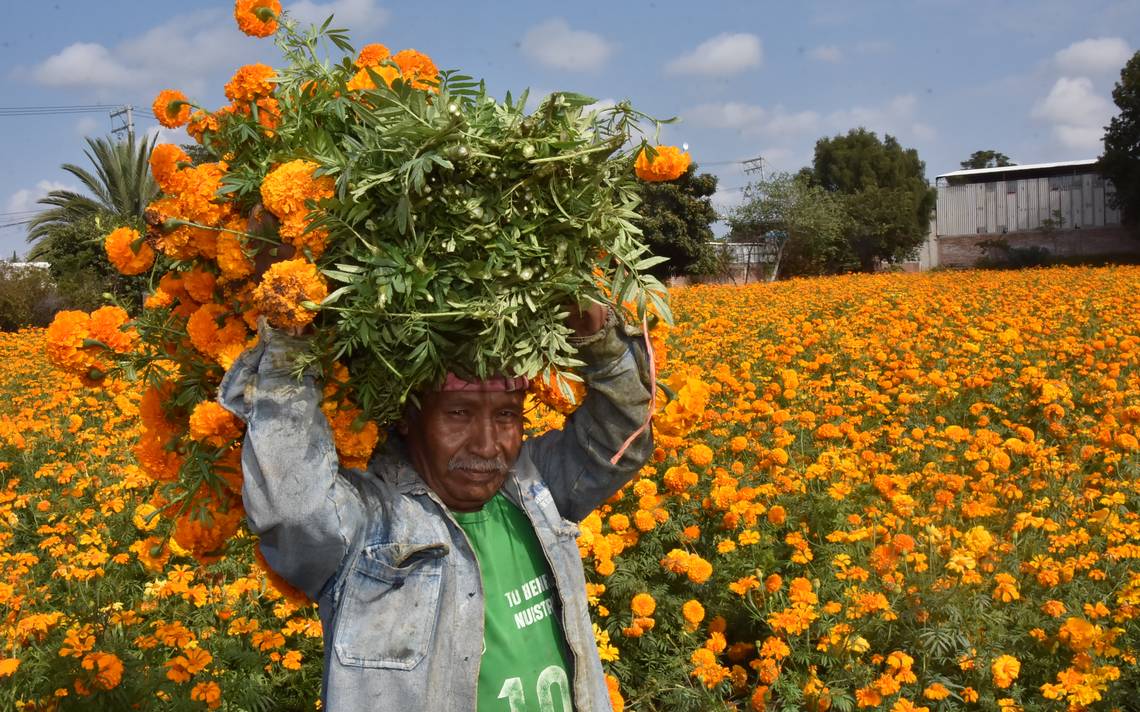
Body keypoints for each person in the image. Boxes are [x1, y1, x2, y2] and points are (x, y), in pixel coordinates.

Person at [218, 302, 654, 711]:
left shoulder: (535, 487)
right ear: (407, 416)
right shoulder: (369, 526)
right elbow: (294, 509)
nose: (487, 446)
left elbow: (622, 440)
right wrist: (291, 333)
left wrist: (600, 342)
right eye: (459, 414)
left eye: (506, 416)